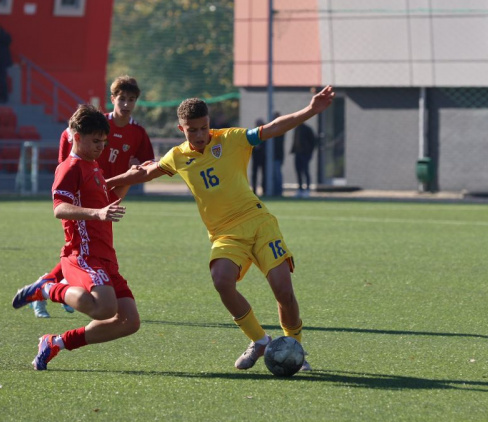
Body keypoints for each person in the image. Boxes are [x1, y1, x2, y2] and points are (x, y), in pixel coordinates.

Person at [106, 86, 335, 371]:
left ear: (210, 124)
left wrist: (311, 111)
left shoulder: (232, 138)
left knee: (283, 291)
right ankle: (260, 340)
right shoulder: (177, 156)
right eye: (192, 130)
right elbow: (144, 173)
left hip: (259, 223)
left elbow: (273, 128)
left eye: (204, 128)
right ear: (181, 128)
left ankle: (295, 348)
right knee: (221, 280)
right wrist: (105, 184)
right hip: (225, 234)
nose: (200, 135)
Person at [11, 104, 139, 370]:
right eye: (95, 141)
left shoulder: (93, 167)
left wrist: (131, 177)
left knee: (129, 322)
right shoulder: (69, 168)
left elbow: (109, 200)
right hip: (84, 254)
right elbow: (59, 208)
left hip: (106, 257)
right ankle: (45, 288)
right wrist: (97, 213)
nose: (101, 147)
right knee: (103, 308)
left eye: (104, 141)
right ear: (76, 137)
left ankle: (55, 342)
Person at [28, 75, 155, 318]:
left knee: (91, 249)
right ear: (113, 99)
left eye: (131, 99)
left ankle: (58, 291)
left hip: (109, 194)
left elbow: (148, 163)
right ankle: (49, 289)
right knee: (81, 250)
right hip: (87, 196)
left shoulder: (137, 132)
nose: (126, 104)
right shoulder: (94, 125)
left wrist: (137, 172)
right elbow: (68, 157)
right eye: (122, 98)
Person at [291, 123, 316, 197]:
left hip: (305, 154)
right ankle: (300, 189)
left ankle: (307, 189)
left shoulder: (307, 129)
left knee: (305, 171)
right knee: (298, 172)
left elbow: (313, 142)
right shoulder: (296, 129)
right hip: (297, 153)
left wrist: (309, 153)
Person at [250, 118, 266, 195]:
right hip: (255, 157)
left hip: (263, 157)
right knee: (254, 174)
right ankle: (254, 190)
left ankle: (264, 189)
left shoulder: (265, 133)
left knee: (264, 174)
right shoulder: (253, 134)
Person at [272, 112, 285, 196]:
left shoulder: (280, 130)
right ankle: (275, 191)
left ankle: (279, 192)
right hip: (273, 156)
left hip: (277, 155)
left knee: (277, 174)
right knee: (274, 174)